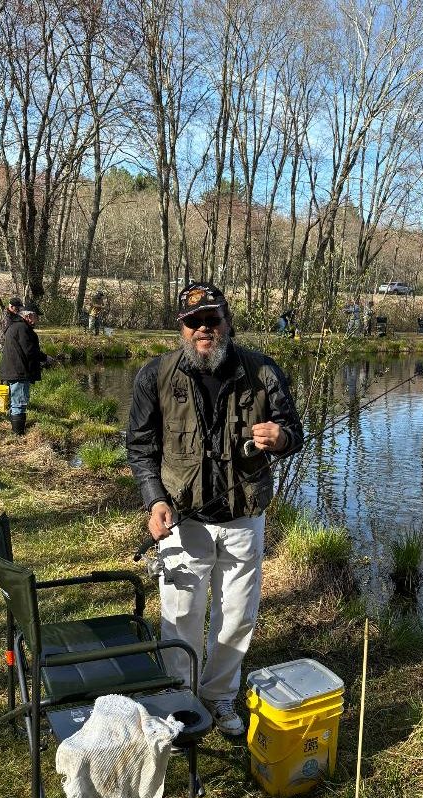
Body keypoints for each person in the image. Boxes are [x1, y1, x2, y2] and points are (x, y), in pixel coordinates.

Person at [126, 281, 303, 737]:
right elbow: (141, 447)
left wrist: (281, 438)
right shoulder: (155, 375)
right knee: (180, 615)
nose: (204, 329)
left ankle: (220, 695)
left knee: (238, 617)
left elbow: (294, 432)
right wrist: (154, 500)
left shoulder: (263, 371)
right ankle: (179, 697)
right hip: (183, 519)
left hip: (245, 518)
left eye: (212, 319)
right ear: (181, 328)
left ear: (227, 322)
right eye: (194, 322)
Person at [0, 304, 47, 436]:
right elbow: (29, 350)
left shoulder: (14, 326)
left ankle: (17, 431)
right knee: (19, 403)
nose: (37, 320)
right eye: (36, 317)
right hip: (19, 372)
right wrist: (45, 358)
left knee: (15, 402)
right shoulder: (22, 328)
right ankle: (18, 434)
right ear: (29, 316)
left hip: (12, 370)